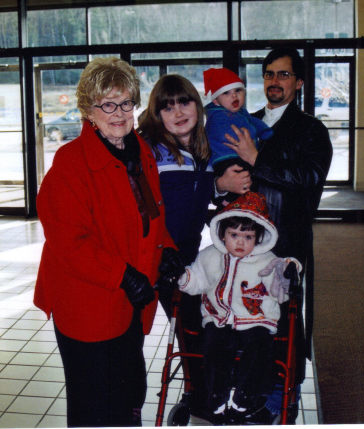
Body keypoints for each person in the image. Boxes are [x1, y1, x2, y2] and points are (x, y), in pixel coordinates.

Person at [33, 57, 184, 427]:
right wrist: (122, 274)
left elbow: (151, 214)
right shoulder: (70, 163)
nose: (118, 113)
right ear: (88, 109)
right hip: (87, 304)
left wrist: (167, 252)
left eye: (126, 102)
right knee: (93, 405)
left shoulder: (140, 151)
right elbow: (69, 242)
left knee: (129, 391)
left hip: (129, 302)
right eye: (107, 104)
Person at [220, 48, 333, 423]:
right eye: (269, 73)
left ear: (299, 83)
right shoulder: (244, 122)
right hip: (241, 245)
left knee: (282, 321)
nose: (274, 81)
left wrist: (258, 160)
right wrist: (221, 183)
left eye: (284, 75)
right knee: (239, 314)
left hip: (286, 243)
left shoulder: (312, 131)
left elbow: (308, 180)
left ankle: (280, 397)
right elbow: (222, 172)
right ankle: (241, 391)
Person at [137, 74, 250, 418]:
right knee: (177, 329)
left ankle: (202, 394)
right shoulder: (149, 149)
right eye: (167, 106)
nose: (177, 111)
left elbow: (193, 197)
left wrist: (216, 185)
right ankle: (199, 398)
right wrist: (216, 183)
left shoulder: (200, 146)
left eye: (184, 102)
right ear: (157, 114)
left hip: (186, 253)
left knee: (196, 326)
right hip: (154, 258)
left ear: (198, 105)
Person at [178, 192, 301, 424]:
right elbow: (197, 280)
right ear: (222, 234)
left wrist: (287, 272)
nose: (241, 242)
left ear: (259, 239)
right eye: (234, 235)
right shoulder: (210, 256)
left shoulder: (266, 260)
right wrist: (182, 277)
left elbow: (280, 287)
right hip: (219, 318)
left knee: (259, 348)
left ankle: (247, 395)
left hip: (256, 320)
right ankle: (217, 394)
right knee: (214, 346)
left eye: (248, 236)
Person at [203, 67, 273, 204]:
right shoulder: (216, 116)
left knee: (246, 179)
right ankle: (227, 200)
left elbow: (254, 122)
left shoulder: (242, 113)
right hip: (225, 158)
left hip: (238, 157)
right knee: (239, 176)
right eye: (226, 93)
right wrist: (253, 135)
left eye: (238, 91)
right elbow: (238, 132)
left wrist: (265, 131)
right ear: (216, 100)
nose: (234, 96)